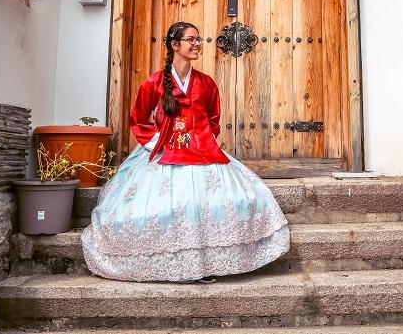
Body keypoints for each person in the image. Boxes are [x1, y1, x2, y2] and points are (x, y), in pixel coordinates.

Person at [81, 21, 290, 282]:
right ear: (174, 45)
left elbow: (214, 118)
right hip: (164, 150)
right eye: (191, 39)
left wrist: (201, 139)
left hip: (203, 151)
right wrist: (157, 141)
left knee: (237, 201)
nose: (196, 44)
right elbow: (139, 119)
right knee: (159, 209)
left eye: (198, 39)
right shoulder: (154, 83)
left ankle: (207, 261)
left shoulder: (206, 83)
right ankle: (172, 263)